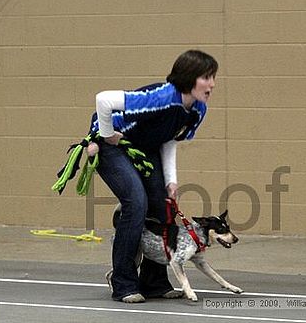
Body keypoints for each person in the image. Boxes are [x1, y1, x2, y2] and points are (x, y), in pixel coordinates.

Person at [89, 50, 217, 303]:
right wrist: (105, 135)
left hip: (144, 148)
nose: (212, 84)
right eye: (206, 77)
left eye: (213, 77)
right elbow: (103, 100)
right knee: (136, 203)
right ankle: (123, 283)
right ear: (189, 78)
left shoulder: (197, 110)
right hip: (113, 144)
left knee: (162, 206)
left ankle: (154, 283)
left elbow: (168, 137)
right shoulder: (161, 97)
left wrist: (171, 179)